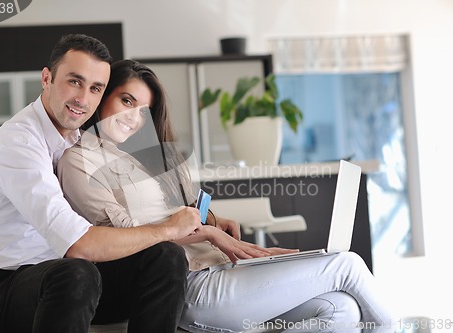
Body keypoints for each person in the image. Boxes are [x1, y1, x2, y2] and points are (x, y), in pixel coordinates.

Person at [57, 59, 396, 333]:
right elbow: (129, 239)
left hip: (223, 270)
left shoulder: (145, 157)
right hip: (192, 285)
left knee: (340, 309)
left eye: (143, 110)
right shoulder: (80, 160)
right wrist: (210, 233)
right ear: (103, 96)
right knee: (346, 265)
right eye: (126, 100)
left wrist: (216, 225)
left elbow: (183, 213)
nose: (133, 117)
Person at [0, 34, 201, 333]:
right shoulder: (19, 142)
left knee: (165, 256)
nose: (83, 99)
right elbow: (77, 244)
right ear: (47, 78)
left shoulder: (80, 138)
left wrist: (202, 221)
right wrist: (168, 228)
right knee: (77, 271)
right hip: (9, 287)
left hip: (77, 283)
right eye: (74, 81)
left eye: (95, 88)